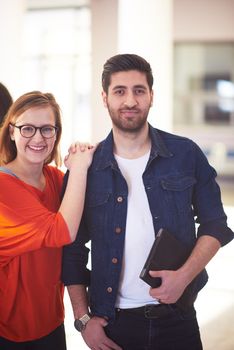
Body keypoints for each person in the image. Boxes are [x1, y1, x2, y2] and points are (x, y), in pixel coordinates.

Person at [62, 54, 234, 350]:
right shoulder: (85, 169)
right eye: (119, 91)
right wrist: (82, 319)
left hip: (177, 319)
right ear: (105, 98)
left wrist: (184, 277)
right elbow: (71, 248)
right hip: (112, 325)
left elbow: (215, 224)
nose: (130, 100)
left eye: (139, 90)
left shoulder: (186, 154)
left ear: (151, 96)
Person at [0, 91, 96, 349]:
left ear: (56, 134)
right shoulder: (3, 187)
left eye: (46, 129)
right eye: (27, 129)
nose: (38, 138)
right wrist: (78, 168)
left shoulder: (54, 177)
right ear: (11, 132)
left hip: (52, 322)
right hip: (10, 333)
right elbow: (62, 231)